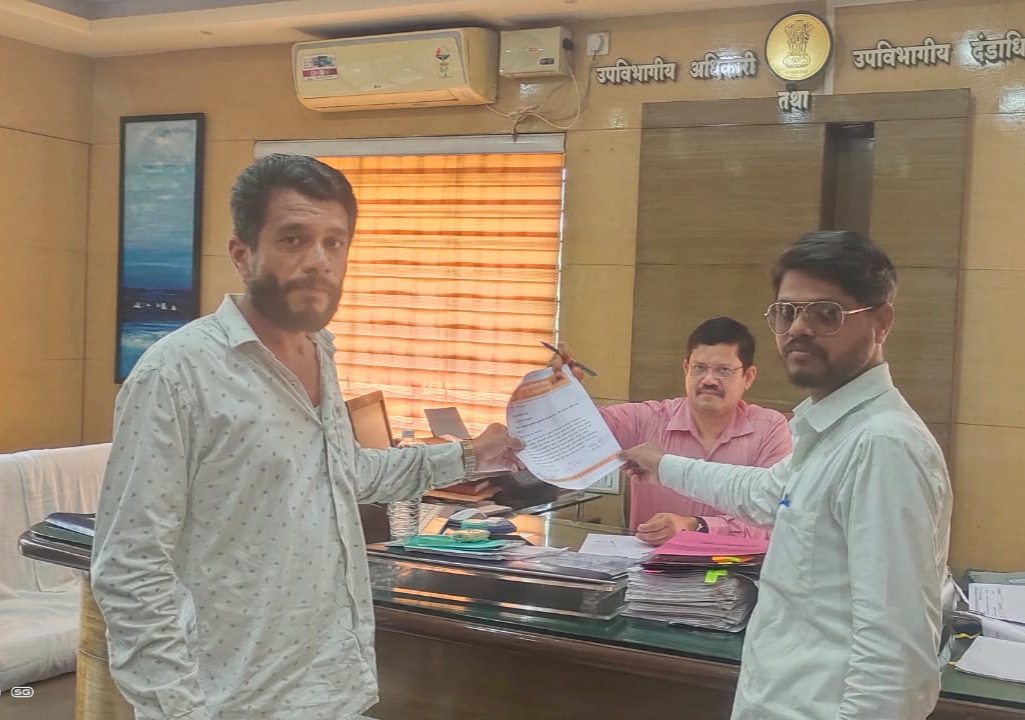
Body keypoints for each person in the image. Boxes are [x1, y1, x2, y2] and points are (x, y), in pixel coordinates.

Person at [90, 154, 523, 720]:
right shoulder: (177, 373)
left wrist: (470, 455)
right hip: (229, 703)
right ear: (242, 254)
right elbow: (130, 566)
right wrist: (176, 709)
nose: (319, 261)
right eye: (293, 239)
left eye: (334, 243)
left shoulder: (320, 350)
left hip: (333, 688)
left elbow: (346, 472)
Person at [621, 231, 952, 720]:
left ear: (881, 322)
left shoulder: (883, 445)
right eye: (786, 312)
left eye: (825, 314)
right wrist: (662, 464)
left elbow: (896, 661)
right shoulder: (832, 430)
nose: (798, 328)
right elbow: (764, 493)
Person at [556, 317, 791, 545]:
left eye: (724, 370)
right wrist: (562, 391)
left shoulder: (770, 429)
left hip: (737, 567)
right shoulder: (648, 418)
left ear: (748, 377)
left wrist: (696, 526)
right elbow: (576, 434)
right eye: (699, 368)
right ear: (686, 368)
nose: (709, 380)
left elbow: (773, 518)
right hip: (649, 566)